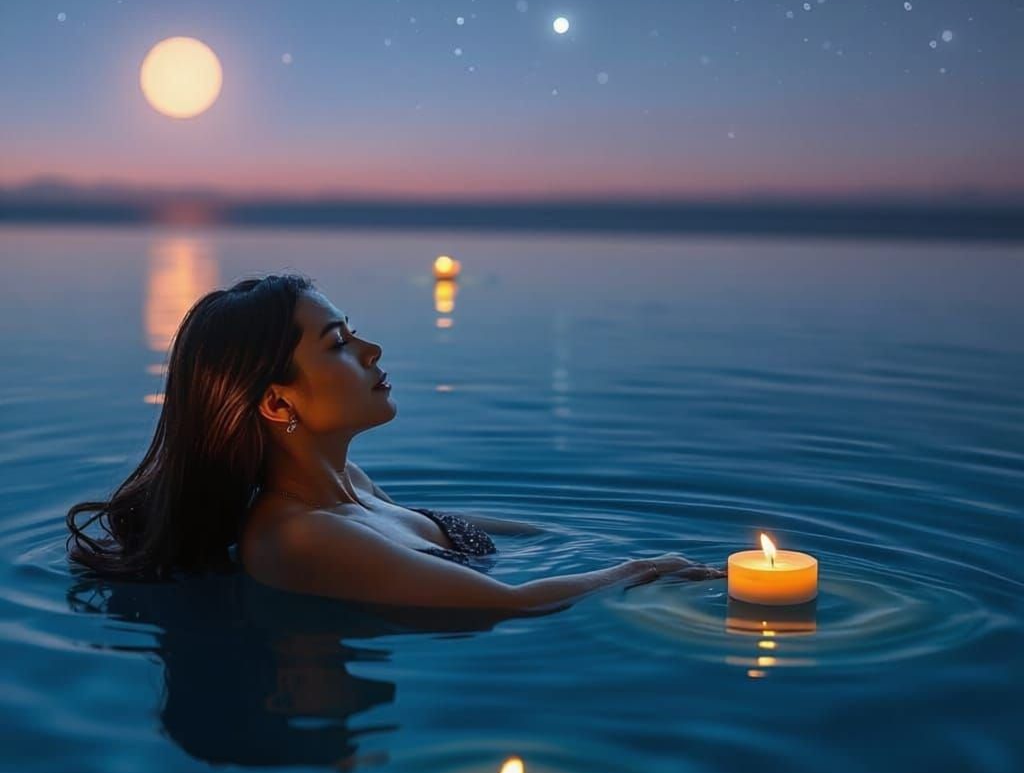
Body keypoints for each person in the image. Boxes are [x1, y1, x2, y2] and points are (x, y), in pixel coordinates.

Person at [66, 272, 725, 618]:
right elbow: (511, 607)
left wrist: (590, 544)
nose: (371, 349)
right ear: (276, 402)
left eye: (351, 332)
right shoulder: (297, 537)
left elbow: (523, 545)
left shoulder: (349, 484)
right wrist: (640, 570)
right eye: (338, 345)